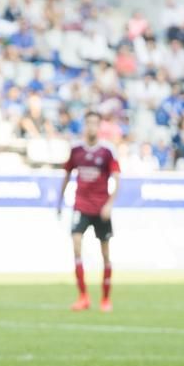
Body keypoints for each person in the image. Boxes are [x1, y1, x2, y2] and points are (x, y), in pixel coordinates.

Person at [57, 112, 120, 313]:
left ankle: (105, 299)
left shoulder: (107, 151)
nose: (91, 127)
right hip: (81, 205)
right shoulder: (76, 150)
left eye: (95, 123)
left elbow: (117, 178)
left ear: (99, 126)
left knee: (105, 253)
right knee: (76, 245)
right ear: (85, 125)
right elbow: (67, 174)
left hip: (101, 207)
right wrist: (59, 200)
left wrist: (109, 204)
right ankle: (83, 296)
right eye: (88, 123)